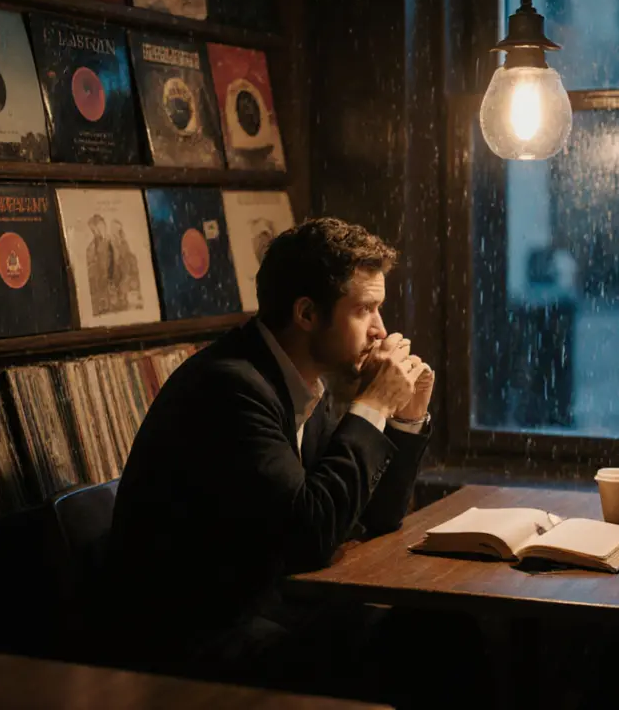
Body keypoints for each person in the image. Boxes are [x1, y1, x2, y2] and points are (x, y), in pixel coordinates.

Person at [101, 217, 478, 705]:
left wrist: (405, 419)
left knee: (440, 626)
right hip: (200, 641)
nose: (381, 329)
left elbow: (371, 517)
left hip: (271, 608)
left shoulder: (304, 381)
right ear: (306, 313)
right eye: (365, 310)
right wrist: (374, 406)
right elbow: (311, 535)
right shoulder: (231, 387)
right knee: (429, 642)